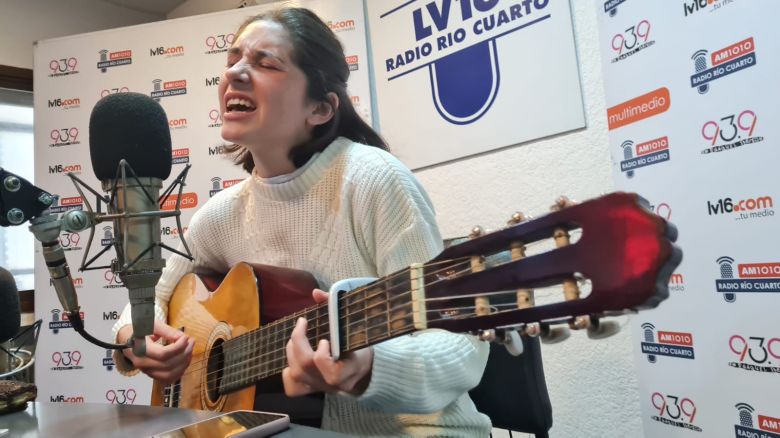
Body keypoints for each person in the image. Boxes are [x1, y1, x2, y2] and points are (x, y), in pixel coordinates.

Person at [112, 7, 491, 437]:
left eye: (265, 63)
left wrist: (369, 367)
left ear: (320, 108)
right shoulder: (220, 216)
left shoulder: (373, 180)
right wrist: (133, 334)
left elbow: (462, 344)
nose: (235, 72)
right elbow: (152, 293)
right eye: (232, 59)